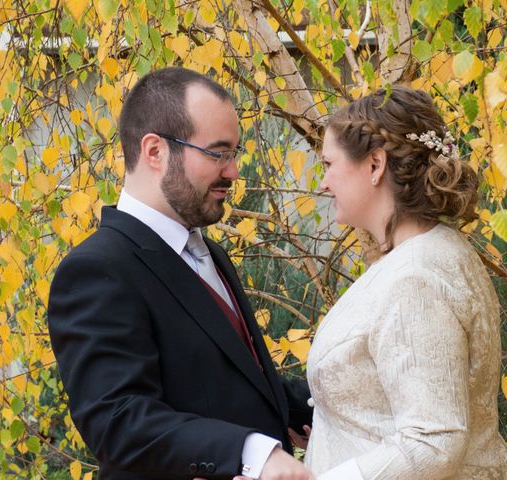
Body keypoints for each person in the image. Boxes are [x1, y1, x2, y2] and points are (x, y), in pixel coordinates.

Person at [47, 67, 313, 480]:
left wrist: (322, 400)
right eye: (217, 153)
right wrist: (250, 452)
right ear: (155, 151)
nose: (233, 172)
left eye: (234, 154)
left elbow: (221, 379)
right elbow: (119, 421)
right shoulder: (96, 269)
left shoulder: (211, 253)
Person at [303, 86, 507, 479]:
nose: (324, 183)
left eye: (329, 165)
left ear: (374, 165)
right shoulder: (422, 256)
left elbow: (433, 442)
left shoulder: (416, 277)